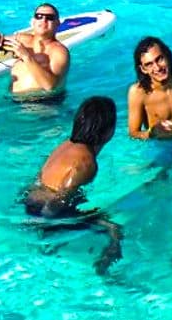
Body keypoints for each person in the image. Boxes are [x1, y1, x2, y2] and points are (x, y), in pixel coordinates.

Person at [22, 96, 122, 274]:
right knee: (115, 229)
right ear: (109, 130)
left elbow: (38, 179)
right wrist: (42, 226)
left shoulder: (66, 145)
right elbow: (59, 202)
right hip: (45, 211)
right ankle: (103, 272)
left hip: (31, 201)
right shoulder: (86, 163)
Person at [127, 37, 172, 139]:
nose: (157, 68)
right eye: (149, 64)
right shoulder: (138, 93)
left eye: (159, 59)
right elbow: (133, 133)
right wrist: (153, 133)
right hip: (160, 145)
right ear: (143, 69)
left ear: (167, 56)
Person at [7, 3, 70, 100]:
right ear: (32, 22)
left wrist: (26, 57)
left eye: (50, 17)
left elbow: (50, 86)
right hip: (12, 102)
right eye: (39, 16)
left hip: (44, 105)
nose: (44, 20)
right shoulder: (21, 39)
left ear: (57, 23)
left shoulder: (59, 51)